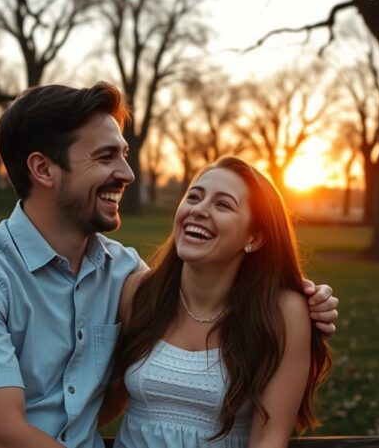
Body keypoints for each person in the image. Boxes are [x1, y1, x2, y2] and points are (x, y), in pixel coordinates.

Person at [0, 82, 339, 448]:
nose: (127, 173)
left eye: (124, 153)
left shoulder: (123, 276)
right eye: (105, 157)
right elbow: (0, 436)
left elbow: (210, 291)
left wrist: (297, 294)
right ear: (43, 169)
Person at [100, 157, 331, 448]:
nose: (198, 210)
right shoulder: (138, 293)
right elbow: (103, 401)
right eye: (194, 197)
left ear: (255, 237)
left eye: (223, 205)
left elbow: (269, 439)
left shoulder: (282, 312)